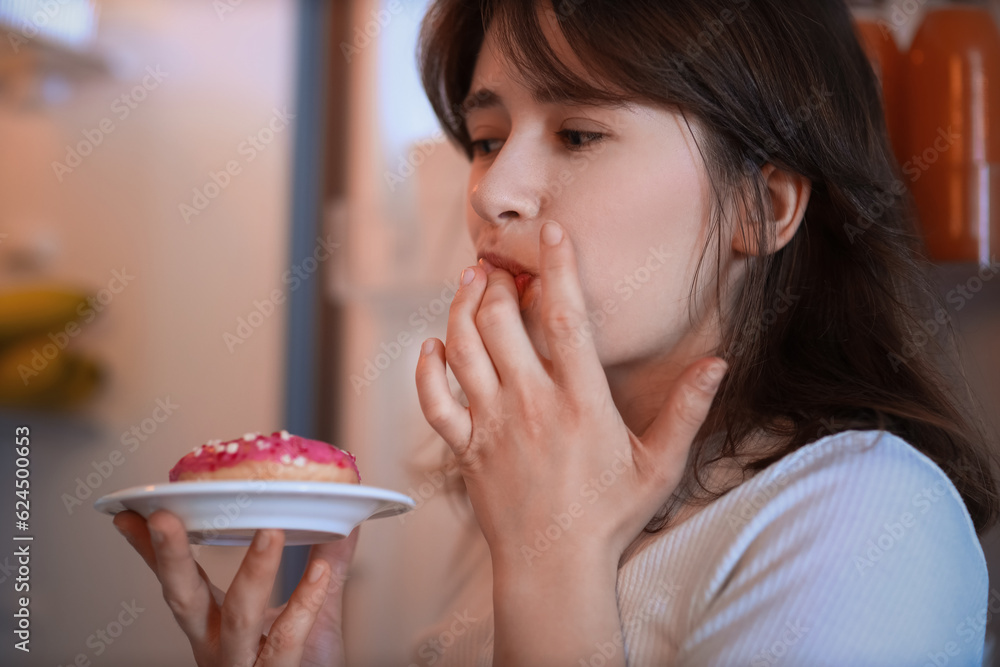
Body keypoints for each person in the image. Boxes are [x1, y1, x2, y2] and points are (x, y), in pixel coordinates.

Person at [112, 0, 1000, 665]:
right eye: (488, 136)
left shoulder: (864, 516)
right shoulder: (518, 495)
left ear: (763, 208)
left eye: (577, 133)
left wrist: (551, 568)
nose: (492, 192)